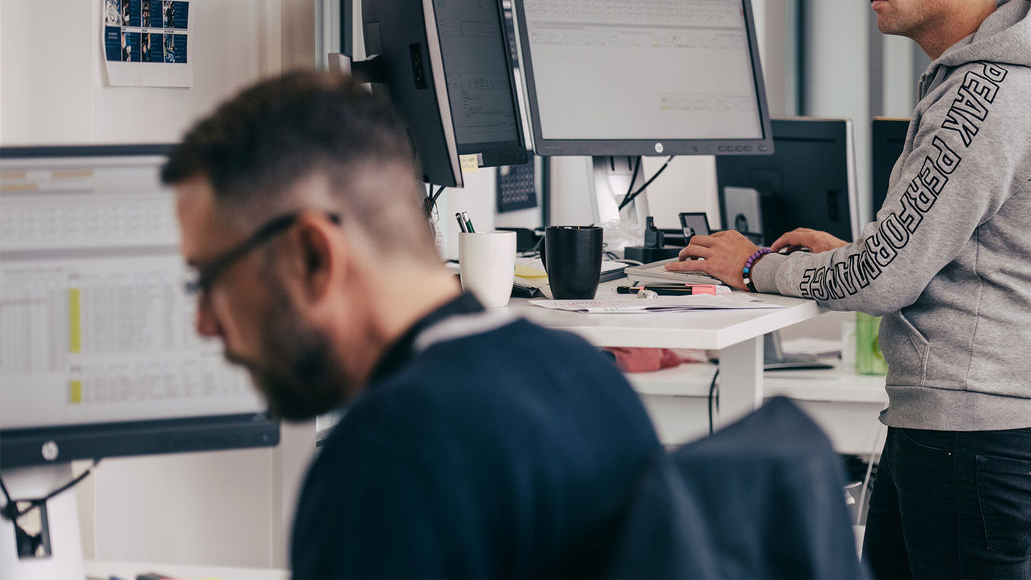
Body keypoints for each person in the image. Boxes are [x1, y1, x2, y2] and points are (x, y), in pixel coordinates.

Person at [667, 0, 1031, 577]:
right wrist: (852, 251)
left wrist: (752, 267)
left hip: (969, 430)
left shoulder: (990, 95)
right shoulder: (993, 83)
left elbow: (883, 279)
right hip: (962, 419)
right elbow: (949, 255)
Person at [161, 70, 661, 578]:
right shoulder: (580, 372)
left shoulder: (386, 454)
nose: (203, 323)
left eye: (211, 278)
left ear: (312, 256)